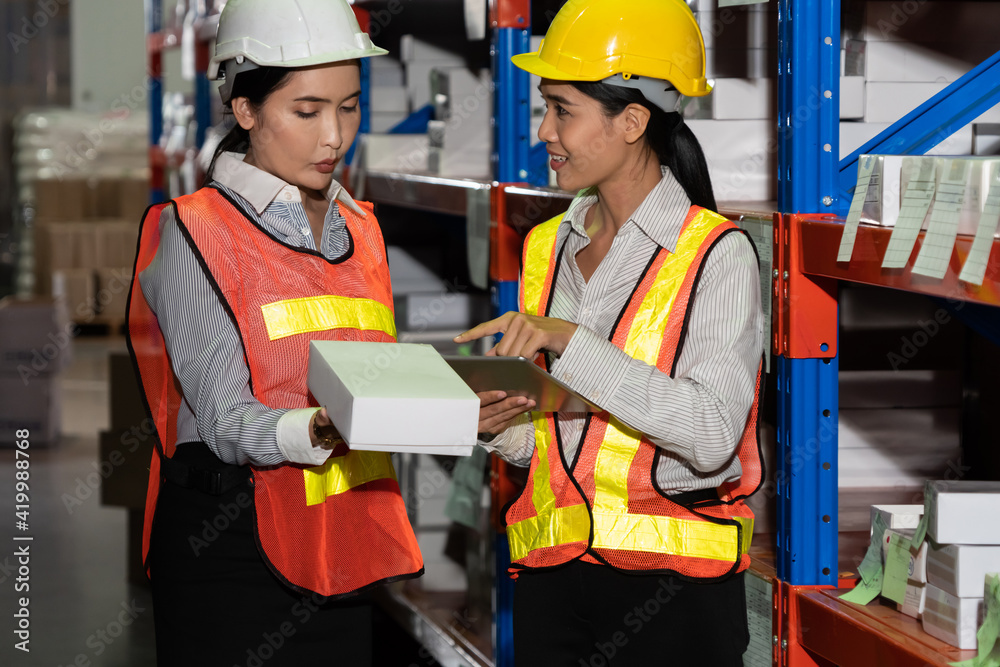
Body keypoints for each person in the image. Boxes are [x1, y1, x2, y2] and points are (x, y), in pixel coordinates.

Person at [454, 0, 765, 664]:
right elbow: (558, 442)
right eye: (546, 107)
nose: (544, 130)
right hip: (552, 586)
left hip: (674, 602)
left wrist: (572, 341)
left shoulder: (717, 254)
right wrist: (496, 422)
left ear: (631, 121)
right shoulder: (545, 246)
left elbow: (711, 435)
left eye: (562, 110)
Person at [126, 1, 422, 664]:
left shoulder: (363, 229)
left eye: (349, 106)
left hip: (336, 541)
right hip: (229, 551)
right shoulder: (193, 230)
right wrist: (316, 428)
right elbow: (226, 417)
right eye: (307, 110)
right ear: (246, 109)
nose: (334, 137)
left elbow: (374, 377)